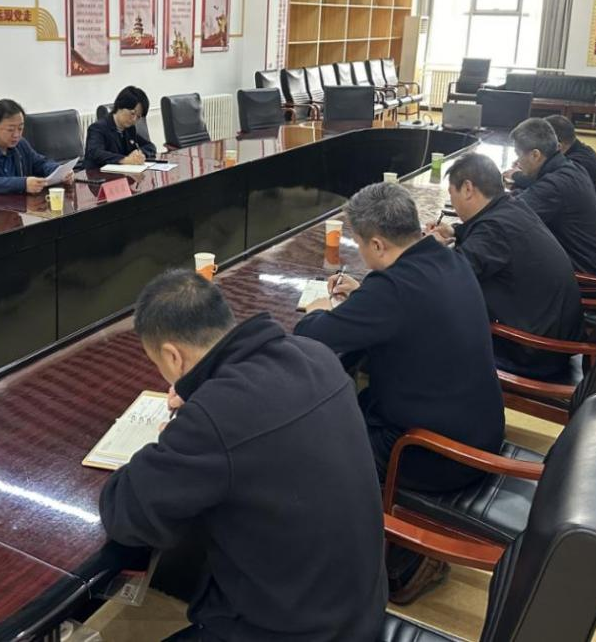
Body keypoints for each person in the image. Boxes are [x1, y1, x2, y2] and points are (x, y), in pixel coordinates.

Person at [99, 270, 387, 642]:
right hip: (360, 610)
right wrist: (201, 399)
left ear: (172, 355)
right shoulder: (314, 354)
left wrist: (191, 422)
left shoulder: (215, 416)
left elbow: (126, 513)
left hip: (297, 632)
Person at [294, 182, 503, 604]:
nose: (361, 253)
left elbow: (314, 335)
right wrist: (364, 296)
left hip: (435, 453)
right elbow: (403, 308)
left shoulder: (392, 291)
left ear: (377, 243)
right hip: (479, 427)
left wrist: (318, 310)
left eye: (360, 244)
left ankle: (364, 563)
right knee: (351, 400)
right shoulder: (447, 258)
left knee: (311, 445)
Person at [428, 153, 583, 380]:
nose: (454, 201)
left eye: (452, 194)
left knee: (425, 330)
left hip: (530, 351)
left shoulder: (494, 230)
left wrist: (431, 249)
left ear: (468, 189)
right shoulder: (512, 207)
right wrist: (454, 231)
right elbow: (485, 244)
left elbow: (448, 278)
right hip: (551, 335)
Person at [509, 117, 596, 278]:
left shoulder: (555, 184)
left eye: (518, 155)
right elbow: (528, 200)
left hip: (586, 277)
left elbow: (510, 218)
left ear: (535, 155)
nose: (517, 162)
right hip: (587, 262)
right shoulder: (570, 168)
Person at [510, 115, 596, 231]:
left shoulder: (568, 170)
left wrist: (515, 176)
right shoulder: (569, 165)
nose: (518, 160)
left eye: (518, 154)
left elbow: (513, 215)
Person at [84, 86, 157, 169]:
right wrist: (125, 160)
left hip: (122, 174)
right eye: (132, 113)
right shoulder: (97, 128)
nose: (134, 119)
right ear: (120, 106)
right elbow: (95, 153)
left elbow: (150, 146)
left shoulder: (130, 129)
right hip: (97, 174)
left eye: (138, 117)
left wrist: (139, 154)